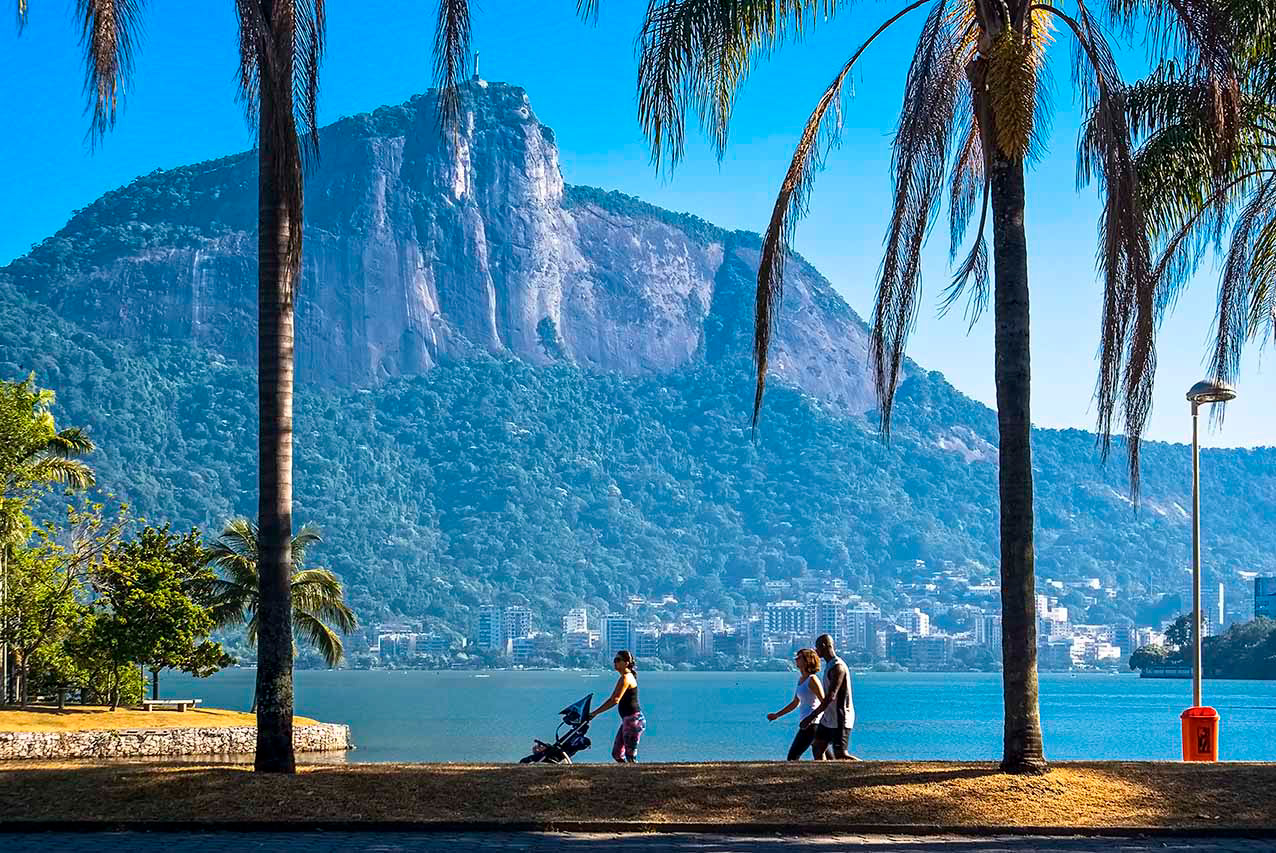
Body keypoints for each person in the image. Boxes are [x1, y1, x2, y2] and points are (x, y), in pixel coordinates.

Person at [801, 633, 857, 760]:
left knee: (841, 755)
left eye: (817, 648)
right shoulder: (829, 666)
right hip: (829, 717)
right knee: (817, 747)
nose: (816, 651)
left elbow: (831, 696)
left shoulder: (838, 667)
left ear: (824, 646)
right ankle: (827, 773)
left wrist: (811, 717)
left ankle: (866, 770)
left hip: (841, 717)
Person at [767, 647, 827, 760]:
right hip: (806, 722)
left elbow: (824, 702)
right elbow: (795, 702)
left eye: (799, 658)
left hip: (812, 724)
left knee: (793, 756)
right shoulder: (801, 679)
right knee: (819, 755)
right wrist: (777, 715)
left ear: (807, 660)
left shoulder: (812, 679)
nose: (796, 660)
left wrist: (811, 718)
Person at [587, 649, 645, 762]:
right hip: (628, 720)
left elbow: (615, 699)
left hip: (634, 720)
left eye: (618, 660)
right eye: (615, 660)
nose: (615, 663)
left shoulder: (626, 678)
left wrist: (595, 713)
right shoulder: (625, 677)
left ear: (626, 663)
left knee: (630, 755)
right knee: (617, 754)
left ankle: (635, 777)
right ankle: (625, 774)